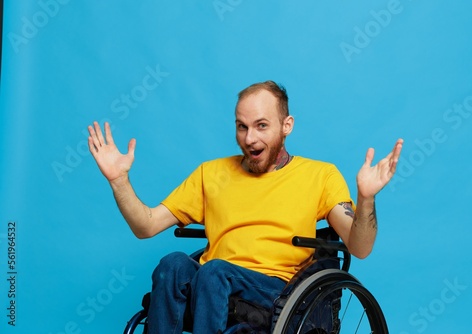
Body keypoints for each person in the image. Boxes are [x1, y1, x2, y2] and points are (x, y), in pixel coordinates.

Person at [87, 80, 403, 333]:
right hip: (213, 280)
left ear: (286, 125)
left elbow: (359, 247)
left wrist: (366, 199)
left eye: (261, 126)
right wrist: (119, 181)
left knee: (214, 273)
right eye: (242, 126)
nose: (249, 138)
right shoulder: (211, 174)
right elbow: (146, 226)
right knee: (172, 264)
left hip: (277, 288)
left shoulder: (319, 175)